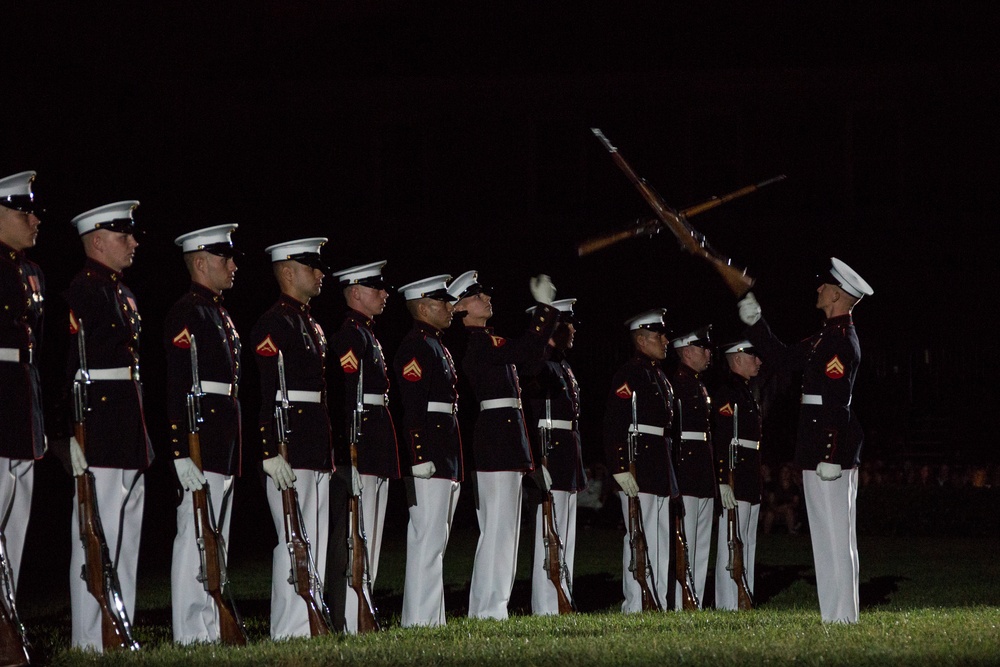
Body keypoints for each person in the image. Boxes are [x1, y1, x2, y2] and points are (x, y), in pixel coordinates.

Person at [737, 257, 873, 623]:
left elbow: (836, 400)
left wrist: (829, 451)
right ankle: (835, 616)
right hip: (817, 446)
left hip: (831, 450)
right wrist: (755, 320)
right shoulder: (825, 337)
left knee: (836, 537)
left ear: (837, 295)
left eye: (824, 286)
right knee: (825, 537)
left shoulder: (840, 341)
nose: (817, 289)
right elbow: (781, 358)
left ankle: (843, 616)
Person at [65, 200, 154, 650]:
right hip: (98, 424)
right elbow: (65, 363)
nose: (134, 242)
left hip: (126, 422)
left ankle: (120, 626)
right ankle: (89, 638)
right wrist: (69, 431)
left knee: (126, 535)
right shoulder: (82, 291)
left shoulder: (122, 292)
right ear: (98, 241)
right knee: (95, 534)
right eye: (125, 236)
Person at [451, 270, 559, 620]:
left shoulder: (490, 341)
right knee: (497, 530)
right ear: (461, 308)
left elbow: (530, 359)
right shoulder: (475, 344)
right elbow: (524, 350)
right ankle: (487, 608)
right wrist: (544, 311)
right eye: (478, 297)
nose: (487, 300)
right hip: (495, 443)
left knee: (506, 532)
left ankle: (495, 605)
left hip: (506, 442)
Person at [252, 237, 334, 639]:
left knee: (313, 539)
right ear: (287, 272)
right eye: (310, 266)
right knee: (293, 538)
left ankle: (309, 618)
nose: (320, 273)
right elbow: (265, 390)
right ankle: (288, 627)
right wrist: (268, 449)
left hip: (314, 442)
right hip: (290, 442)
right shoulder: (274, 323)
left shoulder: (310, 323)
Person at [166, 224, 242, 644]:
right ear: (199, 263)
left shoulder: (216, 312)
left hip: (221, 434)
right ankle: (191, 629)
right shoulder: (188, 312)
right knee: (193, 533)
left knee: (215, 536)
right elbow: (178, 382)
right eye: (223, 258)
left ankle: (211, 624)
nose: (232, 265)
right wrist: (180, 449)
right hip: (202, 434)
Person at [328, 260, 399, 634]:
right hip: (362, 443)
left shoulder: (366, 334)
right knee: (358, 534)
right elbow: (346, 398)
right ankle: (352, 614)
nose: (385, 294)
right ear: (355, 292)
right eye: (376, 288)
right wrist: (347, 452)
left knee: (369, 531)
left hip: (374, 442)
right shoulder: (351, 337)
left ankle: (362, 609)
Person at [393, 275, 463, 627]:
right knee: (426, 539)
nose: (451, 308)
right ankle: (419, 620)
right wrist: (418, 454)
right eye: (442, 303)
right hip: (431, 454)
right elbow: (413, 406)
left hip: (444, 451)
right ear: (423, 307)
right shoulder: (417, 345)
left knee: (436, 540)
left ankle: (431, 618)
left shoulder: (435, 343)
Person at [602, 308, 678, 612]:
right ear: (642, 339)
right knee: (639, 534)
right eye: (659, 335)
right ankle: (636, 601)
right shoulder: (629, 374)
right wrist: (620, 467)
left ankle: (656, 598)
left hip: (657, 460)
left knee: (659, 536)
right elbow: (614, 423)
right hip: (639, 461)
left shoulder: (658, 375)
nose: (665, 340)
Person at [520, 298, 586, 615]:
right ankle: (546, 604)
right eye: (567, 323)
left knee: (565, 533)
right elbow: (531, 414)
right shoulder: (539, 362)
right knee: (548, 533)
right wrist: (535, 462)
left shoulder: (562, 364)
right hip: (549, 453)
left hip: (566, 453)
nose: (573, 329)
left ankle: (563, 595)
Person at [0, 171, 44, 611]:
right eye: (22, 210)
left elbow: (38, 350)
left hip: (22, 402)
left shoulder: (31, 272)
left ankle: (7, 617)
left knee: (15, 523)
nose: (33, 219)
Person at [711, 339, 763, 610]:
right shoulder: (727, 393)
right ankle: (728, 602)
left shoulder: (744, 392)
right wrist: (722, 479)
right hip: (735, 473)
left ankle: (745, 595)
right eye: (754, 356)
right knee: (732, 538)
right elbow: (721, 437)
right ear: (738, 358)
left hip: (748, 475)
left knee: (747, 540)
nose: (759, 361)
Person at [669, 325, 715, 609]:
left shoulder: (696, 383)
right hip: (686, 466)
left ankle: (693, 597)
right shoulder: (678, 383)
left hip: (700, 467)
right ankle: (679, 598)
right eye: (703, 348)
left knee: (700, 541)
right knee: (684, 539)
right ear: (687, 351)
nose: (709, 353)